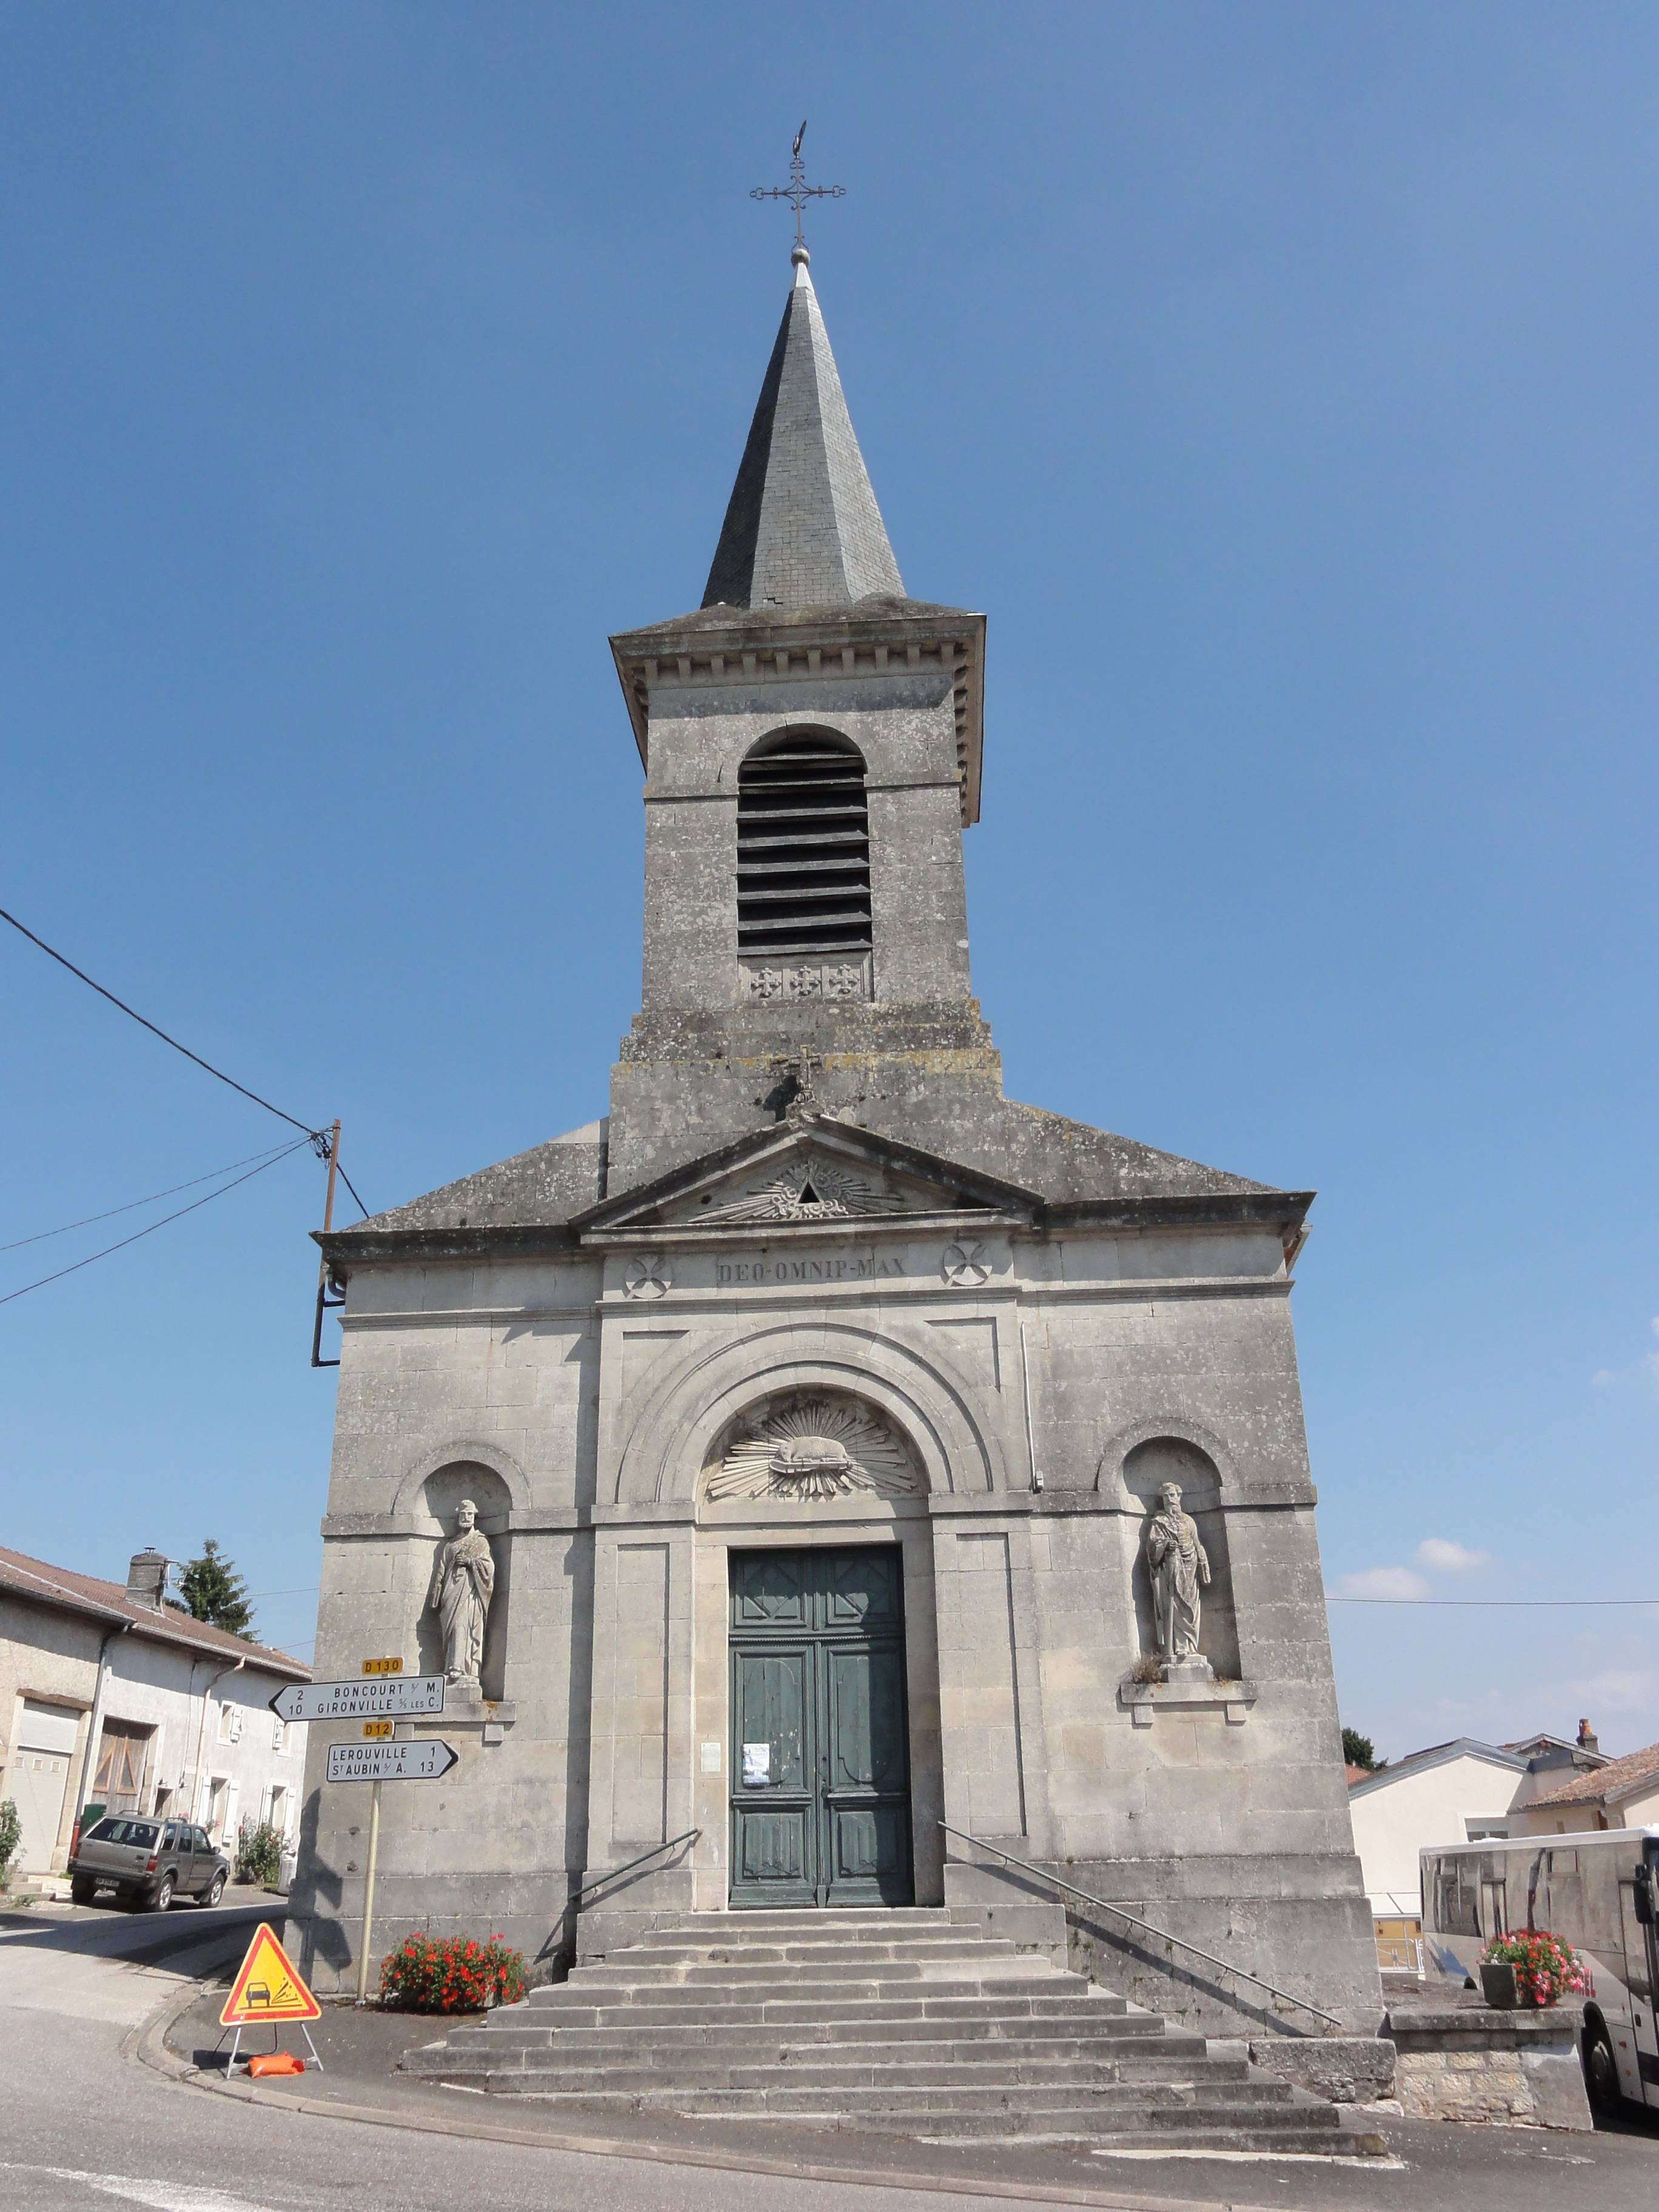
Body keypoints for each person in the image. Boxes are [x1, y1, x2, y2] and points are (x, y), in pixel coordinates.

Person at [427, 1499, 495, 1684]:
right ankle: (450, 1664)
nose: (466, 1517)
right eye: (463, 1514)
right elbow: (442, 1569)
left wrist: (471, 1562)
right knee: (452, 1626)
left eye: (470, 1514)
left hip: (470, 1592)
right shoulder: (451, 1545)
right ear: (458, 1517)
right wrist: (437, 1591)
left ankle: (461, 1667)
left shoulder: (480, 1541)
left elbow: (488, 1567)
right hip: (451, 1590)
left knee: (462, 1624)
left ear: (475, 1516)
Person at [1145, 1481, 1210, 1663]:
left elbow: (1196, 1543)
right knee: (1174, 1606)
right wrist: (1165, 1545)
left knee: (1191, 1608)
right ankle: (1177, 1647)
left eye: (1172, 1495)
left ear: (1179, 1497)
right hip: (1171, 1570)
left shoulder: (1189, 1521)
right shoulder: (1159, 1522)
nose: (1169, 1499)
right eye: (1166, 1497)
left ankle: (1191, 1646)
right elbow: (1152, 1548)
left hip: (1191, 1569)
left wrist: (1203, 1562)